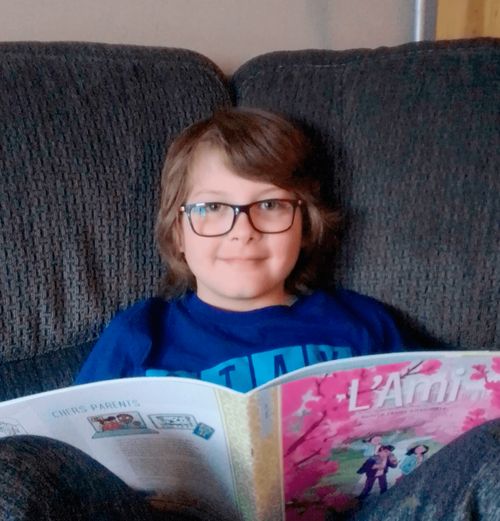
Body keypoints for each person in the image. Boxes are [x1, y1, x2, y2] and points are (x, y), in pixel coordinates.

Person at [0, 108, 498, 521]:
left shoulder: (362, 323)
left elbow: (448, 431)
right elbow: (74, 459)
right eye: (212, 208)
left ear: (304, 225)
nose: (243, 231)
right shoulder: (141, 332)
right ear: (178, 233)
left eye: (270, 205)